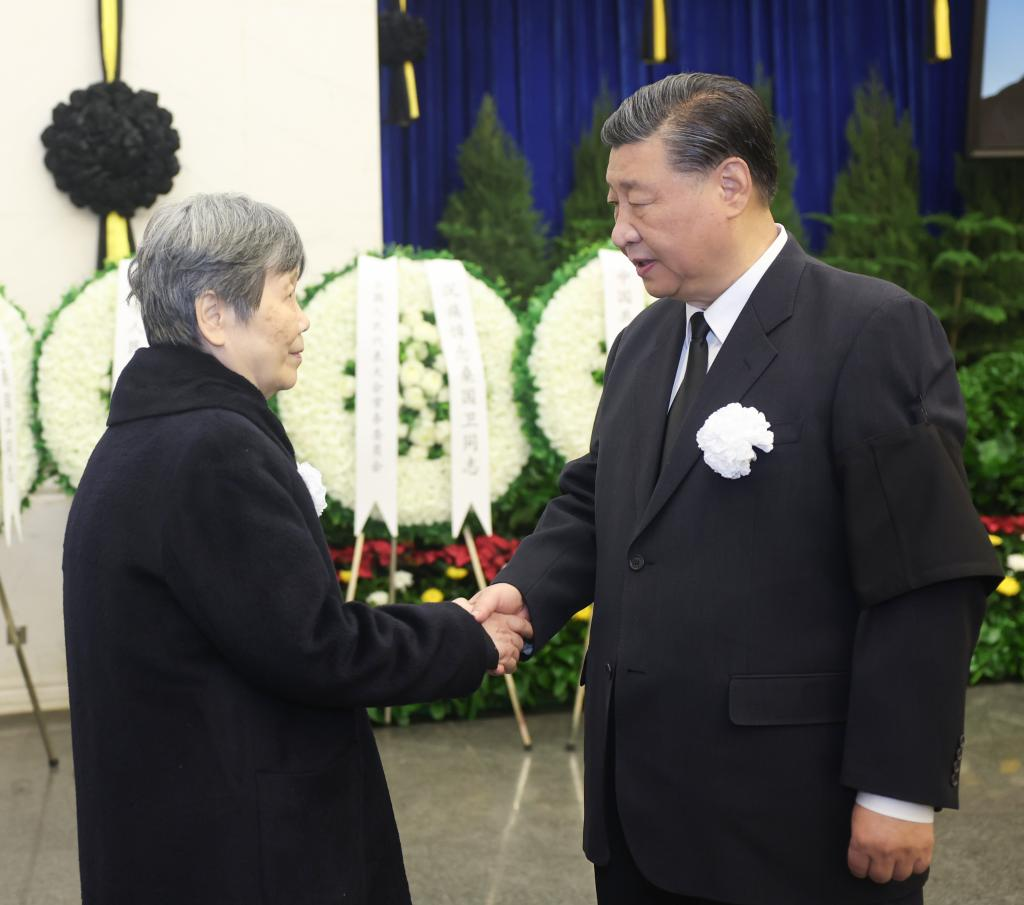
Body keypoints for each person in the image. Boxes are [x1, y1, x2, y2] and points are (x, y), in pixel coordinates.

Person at [470, 73, 1002, 905]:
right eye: (614, 205)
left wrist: (898, 789)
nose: (619, 232)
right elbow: (600, 498)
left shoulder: (868, 331)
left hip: (790, 818)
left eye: (639, 203)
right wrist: (524, 593)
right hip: (635, 816)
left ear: (730, 184)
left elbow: (924, 576)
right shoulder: (645, 344)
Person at [62, 193, 531, 905]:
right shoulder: (210, 448)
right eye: (289, 292)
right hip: (243, 850)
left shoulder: (142, 438)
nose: (303, 317)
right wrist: (463, 635)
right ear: (215, 315)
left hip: (177, 836)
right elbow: (315, 645)